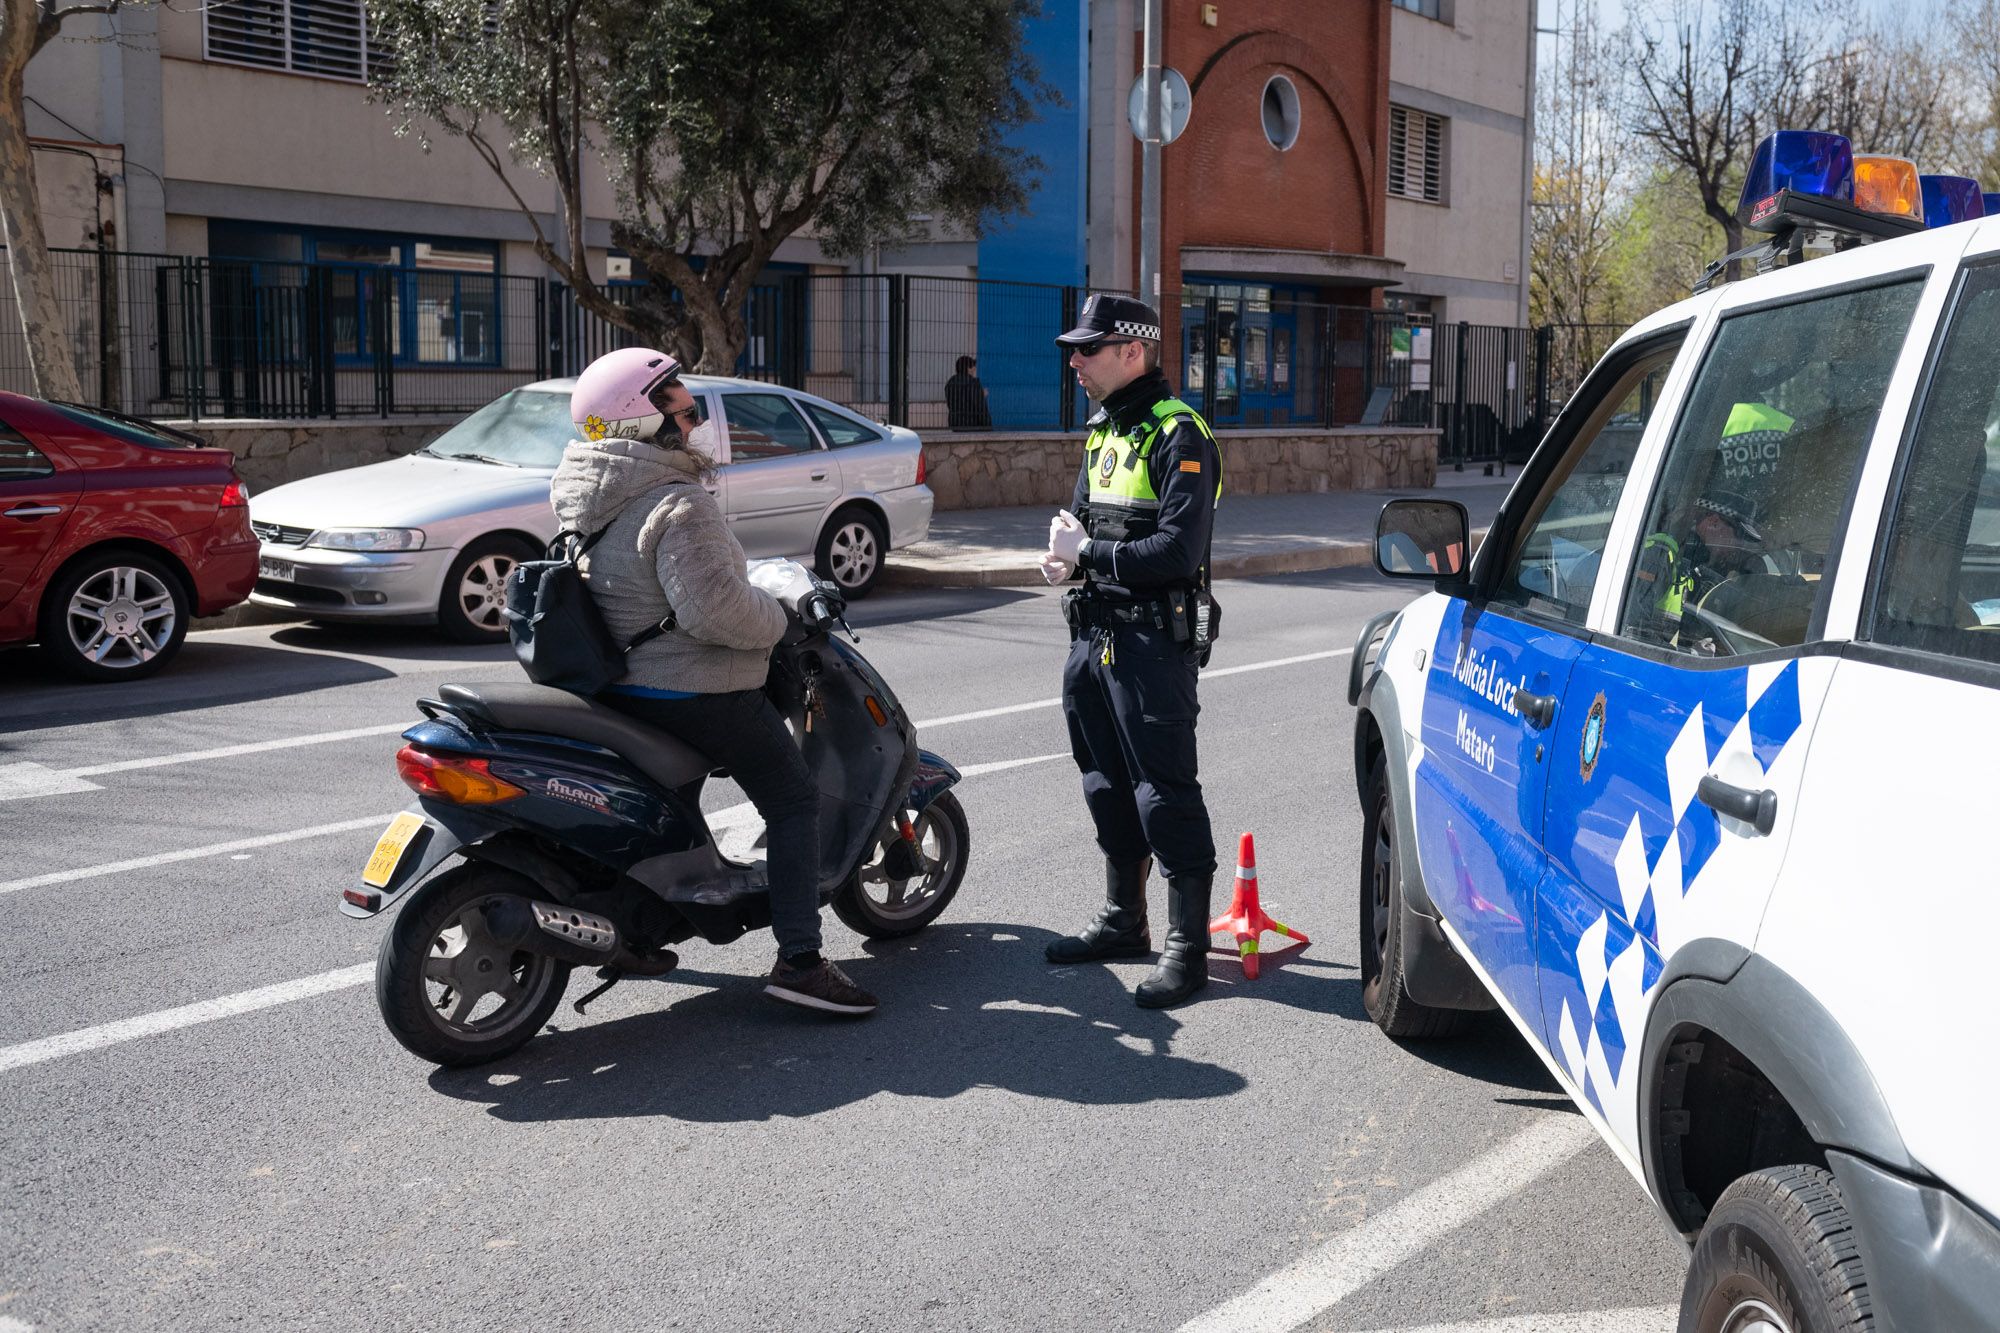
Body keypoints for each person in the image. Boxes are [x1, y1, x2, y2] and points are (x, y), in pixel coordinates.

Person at [549, 346, 878, 1016]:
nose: (696, 420)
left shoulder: (591, 488)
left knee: (677, 802)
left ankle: (639, 924)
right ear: (644, 420)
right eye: (684, 405)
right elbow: (714, 610)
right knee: (792, 799)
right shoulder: (676, 501)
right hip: (690, 688)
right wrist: (781, 620)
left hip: (618, 684)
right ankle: (801, 962)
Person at [1039, 294, 1223, 1009]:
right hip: (1093, 630)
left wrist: (1087, 551)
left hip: (1151, 638)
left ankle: (1187, 948)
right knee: (1103, 781)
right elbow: (1083, 521)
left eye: (1089, 349)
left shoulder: (1182, 435)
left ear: (1133, 352)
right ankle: (1124, 919)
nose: (1076, 361)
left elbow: (1178, 548)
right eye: (1075, 350)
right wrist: (1068, 561)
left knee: (1163, 788)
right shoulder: (1104, 430)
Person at [945, 354, 992, 430]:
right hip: (972, 426)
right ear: (968, 368)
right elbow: (980, 408)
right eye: (973, 366)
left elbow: (958, 401)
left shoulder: (950, 383)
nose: (974, 369)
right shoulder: (973, 383)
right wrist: (988, 427)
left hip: (955, 425)